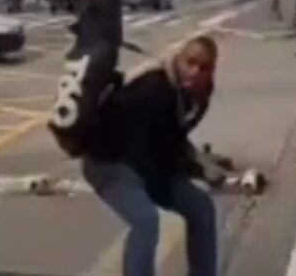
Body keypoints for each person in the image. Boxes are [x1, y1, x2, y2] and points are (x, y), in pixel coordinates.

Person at [84, 35, 222, 276]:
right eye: (191, 62)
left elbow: (172, 139)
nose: (196, 72)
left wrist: (200, 164)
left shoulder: (199, 95)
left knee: (201, 207)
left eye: (205, 67)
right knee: (146, 221)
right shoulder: (154, 88)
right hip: (108, 162)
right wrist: (196, 168)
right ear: (179, 60)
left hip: (149, 165)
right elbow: (154, 144)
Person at [48, 0, 124, 157]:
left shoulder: (110, 1)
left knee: (94, 97)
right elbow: (82, 21)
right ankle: (71, 132)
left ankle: (90, 136)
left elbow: (113, 33)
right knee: (71, 93)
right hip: (81, 56)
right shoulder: (81, 0)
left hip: (100, 59)